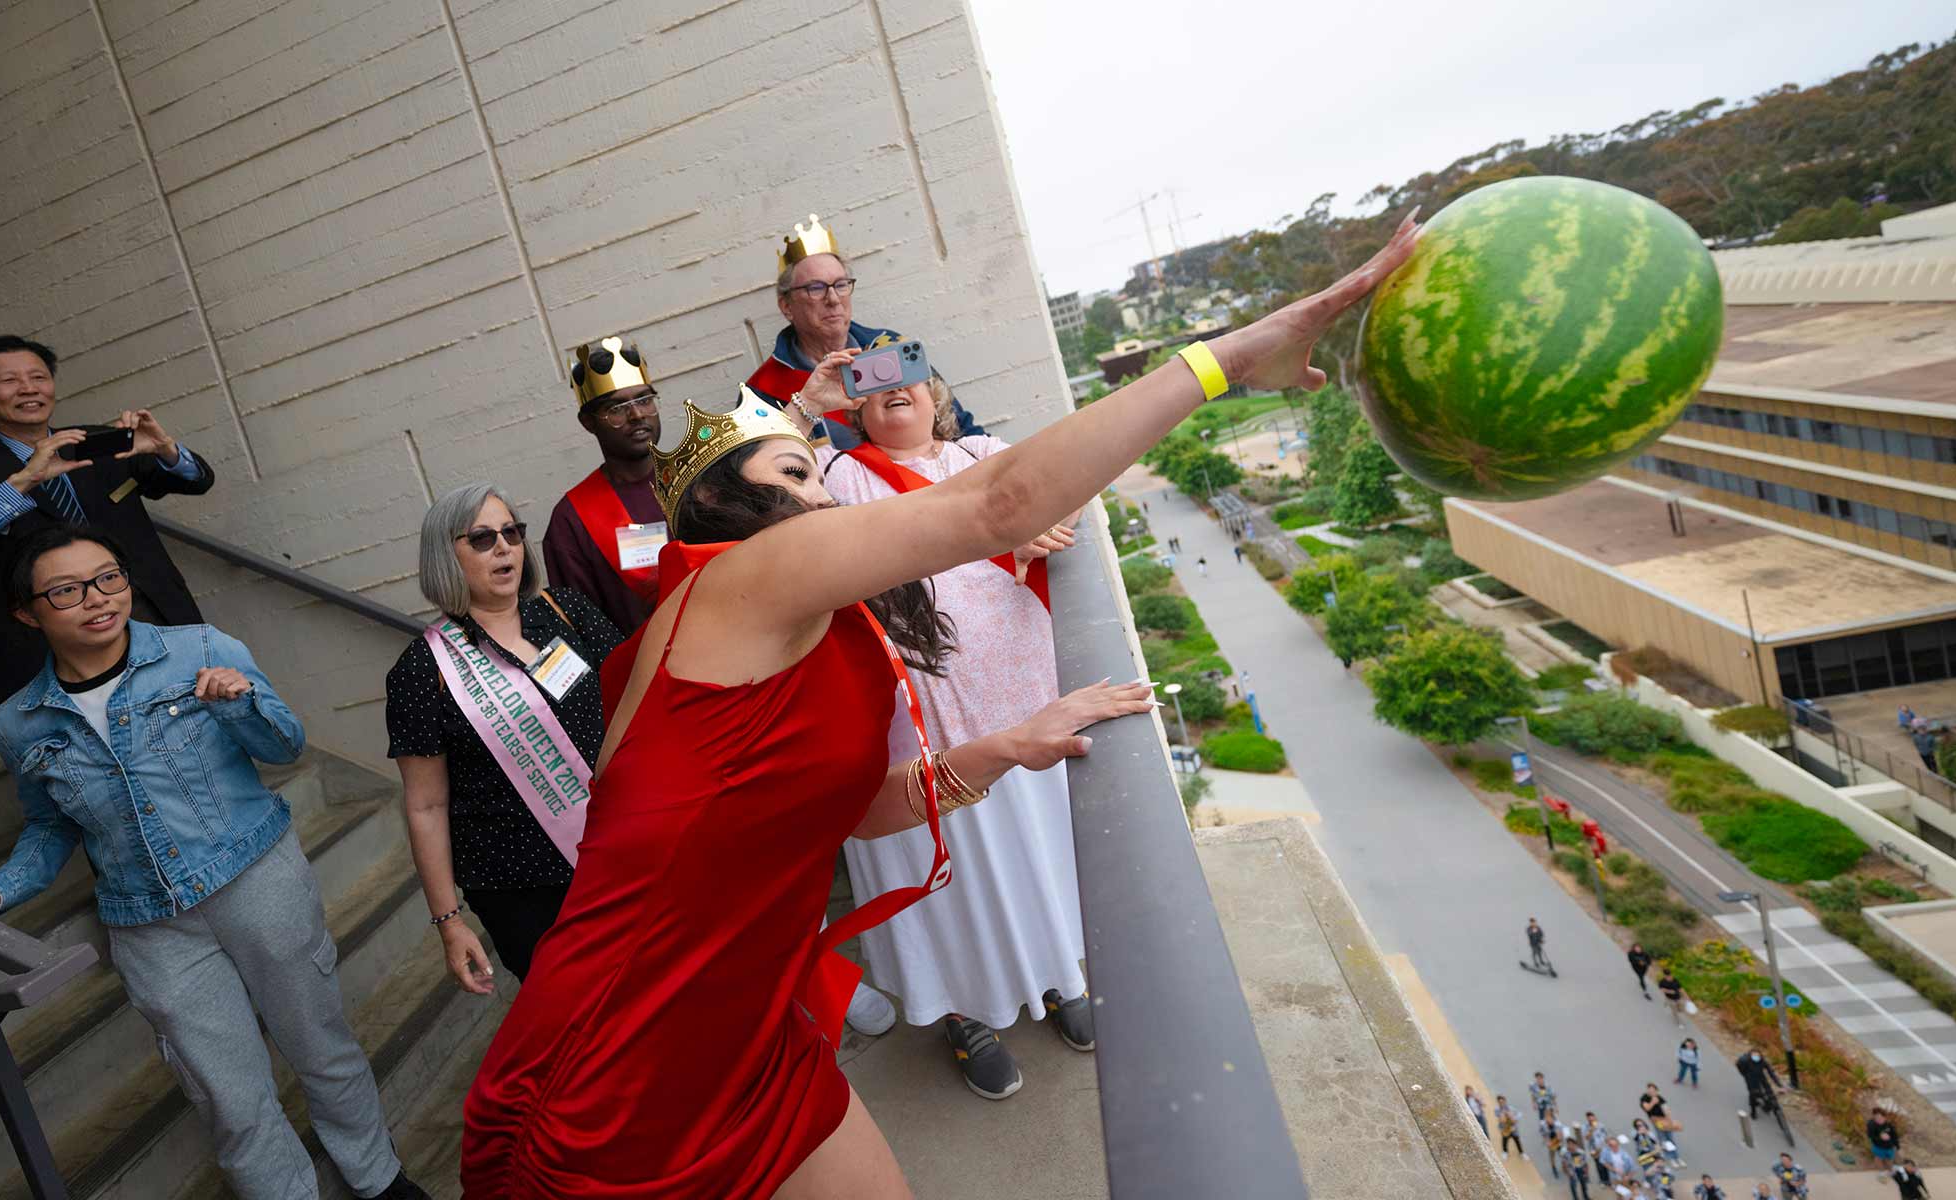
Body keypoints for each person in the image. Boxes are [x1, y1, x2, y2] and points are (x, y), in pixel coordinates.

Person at [458, 214, 1421, 1197]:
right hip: (615, 1068)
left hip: (751, 1028)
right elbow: (999, 504)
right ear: (726, 510)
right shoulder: (745, 575)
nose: (830, 495)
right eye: (798, 473)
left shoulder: (795, 621)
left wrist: (1004, 747)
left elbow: (839, 810)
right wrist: (1228, 360)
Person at [0, 526, 427, 1200]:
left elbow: (286, 747)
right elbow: (49, 829)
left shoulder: (200, 648)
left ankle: (378, 1178)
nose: (97, 599)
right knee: (227, 1095)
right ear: (26, 611)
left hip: (256, 880)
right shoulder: (22, 722)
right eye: (66, 590)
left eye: (109, 577)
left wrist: (239, 702)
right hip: (149, 924)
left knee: (319, 1044)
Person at [816, 343, 1090, 1099]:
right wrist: (809, 402)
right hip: (921, 718)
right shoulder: (840, 475)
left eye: (906, 380)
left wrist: (1041, 526)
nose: (893, 392)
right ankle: (966, 1013)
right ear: (856, 413)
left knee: (1037, 847)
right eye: (871, 389)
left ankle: (1061, 972)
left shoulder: (983, 451)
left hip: (1020, 691)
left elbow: (1069, 488)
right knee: (953, 868)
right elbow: (774, 500)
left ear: (936, 395)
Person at [388, 485, 623, 987]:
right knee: (576, 1023)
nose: (504, 547)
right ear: (443, 556)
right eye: (481, 538)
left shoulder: (566, 611)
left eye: (511, 532)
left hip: (620, 852)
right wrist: (448, 921)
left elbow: (637, 700)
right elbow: (425, 806)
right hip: (522, 888)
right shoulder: (421, 669)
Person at [0, 335, 215, 717]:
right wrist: (20, 484)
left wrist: (168, 452)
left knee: (202, 733)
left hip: (155, 622)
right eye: (9, 381)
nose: (28, 388)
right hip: (52, 649)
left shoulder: (95, 441)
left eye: (38, 377)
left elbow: (196, 481)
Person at [743, 214, 981, 449]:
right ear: (787, 306)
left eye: (841, 285)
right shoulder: (763, 389)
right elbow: (760, 474)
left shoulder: (891, 346)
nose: (833, 299)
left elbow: (960, 428)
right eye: (815, 288)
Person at [543, 337, 672, 635]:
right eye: (617, 408)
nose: (638, 415)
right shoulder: (571, 520)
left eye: (644, 400)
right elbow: (581, 628)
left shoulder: (699, 479)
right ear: (588, 422)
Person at [1738, 1049, 1779, 1117]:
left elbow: (1771, 1073)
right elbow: (1740, 1069)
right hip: (1750, 1078)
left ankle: (1768, 1106)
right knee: (1753, 1093)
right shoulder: (1745, 1061)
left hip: (1761, 1076)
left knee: (1770, 1093)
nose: (1756, 1057)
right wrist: (1745, 1075)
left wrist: (1778, 1083)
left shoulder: (1763, 1061)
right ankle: (1753, 1111)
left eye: (1758, 1055)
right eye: (1754, 1055)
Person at [1558, 1128, 1593, 1199]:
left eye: (1572, 1144)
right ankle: (1575, 1198)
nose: (1570, 1146)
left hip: (1580, 1169)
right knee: (1573, 1185)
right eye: (1568, 1144)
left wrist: (1586, 1173)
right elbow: (1563, 1164)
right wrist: (1567, 1173)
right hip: (1571, 1169)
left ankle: (1585, 1196)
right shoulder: (1564, 1152)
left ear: (1575, 1145)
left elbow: (1585, 1164)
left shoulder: (1581, 1152)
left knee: (1583, 1184)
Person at [1497, 1095, 1525, 1159]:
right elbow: (1500, 1119)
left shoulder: (1511, 1108)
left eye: (1502, 1102)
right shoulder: (1497, 1110)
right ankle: (1505, 1152)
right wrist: (1502, 1116)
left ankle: (1521, 1153)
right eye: (1500, 1102)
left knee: (1517, 1140)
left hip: (1513, 1128)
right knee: (1504, 1141)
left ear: (1505, 1101)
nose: (1502, 1104)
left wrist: (1514, 1118)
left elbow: (1520, 1114)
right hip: (1505, 1128)